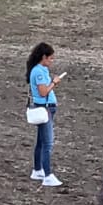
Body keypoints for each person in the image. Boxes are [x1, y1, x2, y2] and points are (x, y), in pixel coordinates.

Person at [26, 42, 62, 187]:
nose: (52, 61)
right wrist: (54, 83)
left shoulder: (41, 70)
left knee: (41, 142)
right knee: (47, 143)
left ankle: (37, 169)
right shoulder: (39, 72)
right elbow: (43, 92)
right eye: (51, 58)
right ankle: (47, 175)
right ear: (44, 57)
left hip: (46, 108)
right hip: (45, 108)